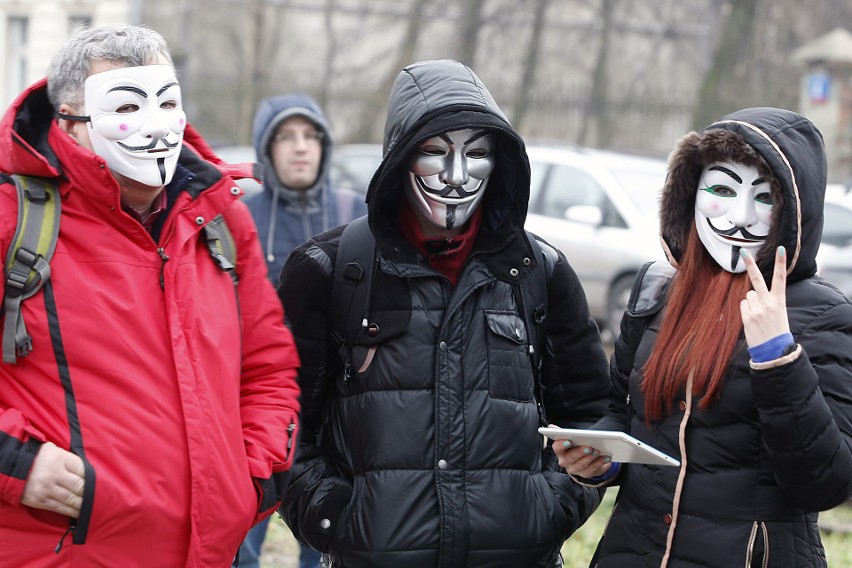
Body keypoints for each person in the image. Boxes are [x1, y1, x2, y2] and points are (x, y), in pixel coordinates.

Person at [277, 58, 611, 567]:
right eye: (434, 152)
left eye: (477, 153)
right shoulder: (330, 269)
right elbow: (284, 419)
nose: (457, 176)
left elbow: (590, 417)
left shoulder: (539, 271)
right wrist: (335, 518)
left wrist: (550, 508)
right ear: (399, 156)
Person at [0, 25, 301, 566]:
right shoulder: (10, 220)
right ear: (70, 119)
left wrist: (254, 477)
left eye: (167, 102)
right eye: (127, 106)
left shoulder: (222, 221)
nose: (156, 125)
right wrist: (13, 463)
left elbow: (268, 366)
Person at [553, 107, 852, 567]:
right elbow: (620, 410)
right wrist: (602, 457)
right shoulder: (657, 289)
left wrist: (779, 356)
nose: (740, 215)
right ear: (690, 196)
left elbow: (825, 483)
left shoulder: (822, 314)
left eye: (764, 196)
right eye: (721, 189)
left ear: (795, 210)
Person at [236, 94, 365, 568]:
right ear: (265, 149)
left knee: (324, 542)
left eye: (310, 136)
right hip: (253, 411)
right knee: (242, 540)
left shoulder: (355, 213)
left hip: (332, 415)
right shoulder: (240, 218)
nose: (299, 148)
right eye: (285, 137)